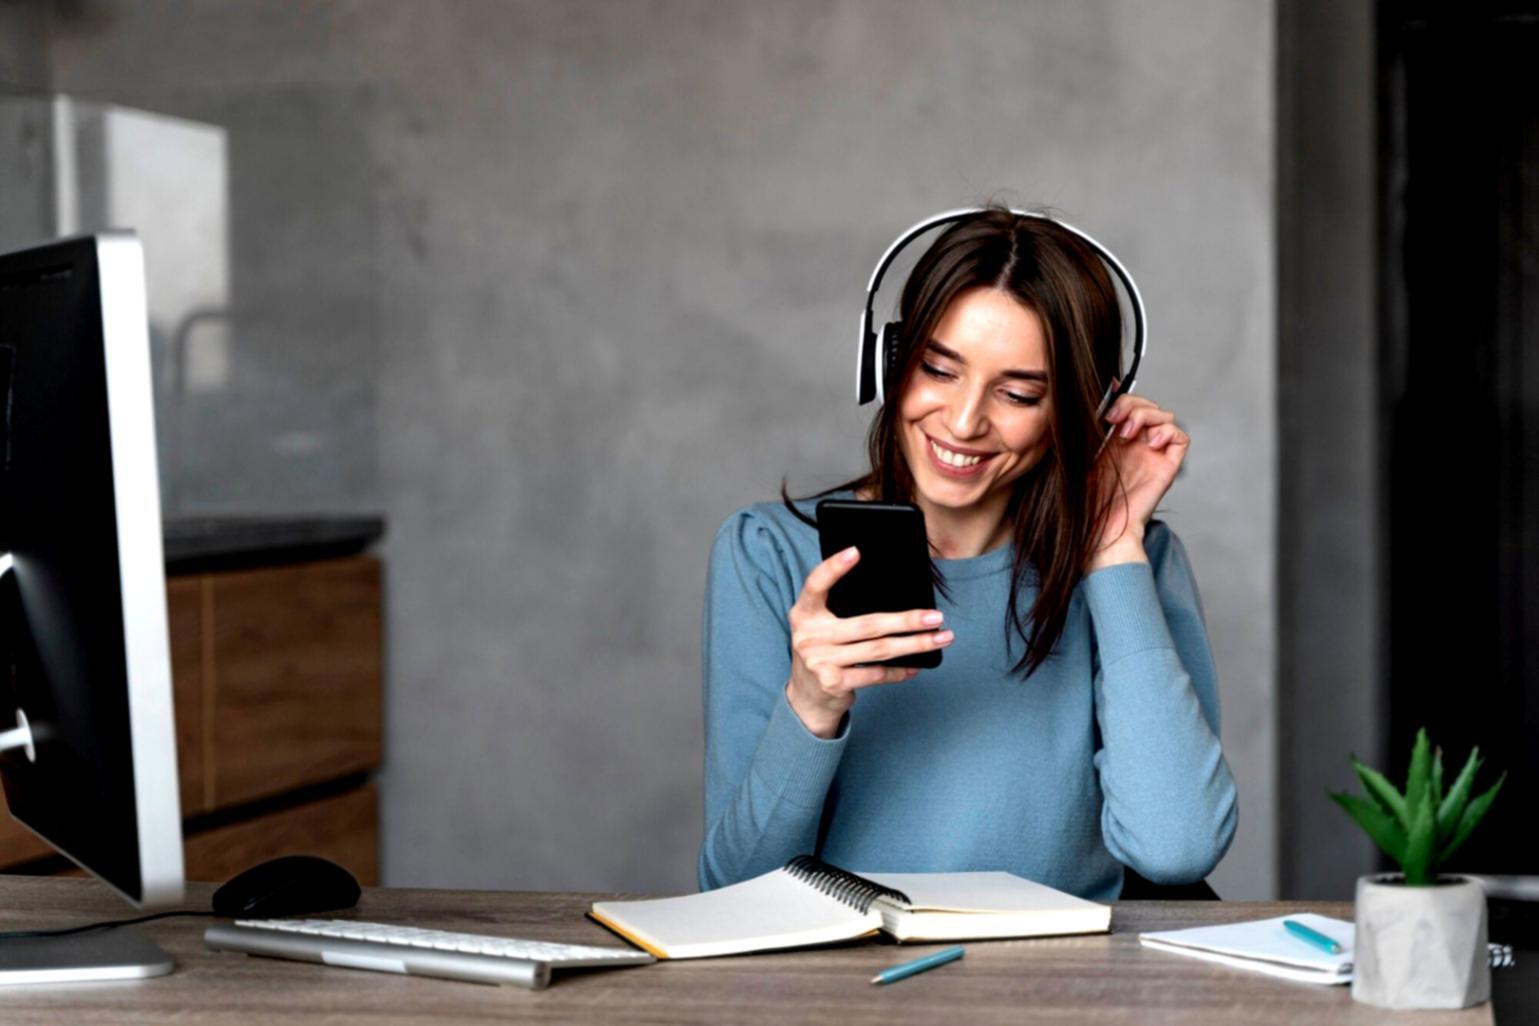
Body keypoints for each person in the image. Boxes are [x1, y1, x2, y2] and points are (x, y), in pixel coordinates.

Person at [698, 206, 1237, 900]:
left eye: (1018, 393)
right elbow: (734, 889)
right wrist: (811, 702)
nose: (961, 422)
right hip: (851, 993)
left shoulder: (1134, 562)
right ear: (885, 362)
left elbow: (1177, 849)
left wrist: (1109, 549)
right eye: (936, 370)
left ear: (1080, 410)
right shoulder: (767, 555)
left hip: (1062, 990)